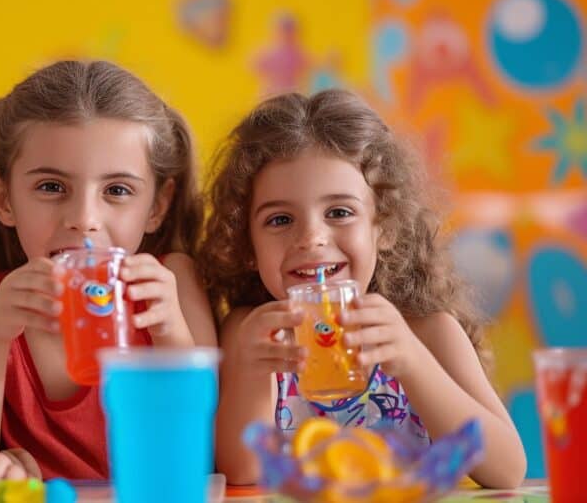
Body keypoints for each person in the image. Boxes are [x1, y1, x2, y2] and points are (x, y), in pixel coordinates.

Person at [200, 89, 525, 488]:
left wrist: (411, 360)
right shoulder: (252, 333)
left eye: (339, 212)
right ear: (248, 246)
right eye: (280, 220)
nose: (311, 238)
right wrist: (251, 369)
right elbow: (241, 472)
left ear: (384, 228)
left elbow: (507, 470)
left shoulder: (428, 332)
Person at [0, 60, 217, 479]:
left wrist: (169, 333)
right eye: (51, 187)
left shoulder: (173, 283)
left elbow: (202, 452)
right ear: (4, 199)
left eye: (117, 190)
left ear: (157, 205)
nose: (84, 218)